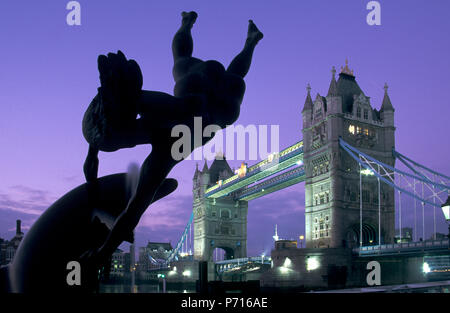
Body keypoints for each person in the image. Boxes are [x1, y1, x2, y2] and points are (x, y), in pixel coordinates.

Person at [81, 11, 263, 264]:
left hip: (216, 107)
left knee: (226, 76)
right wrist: (91, 165)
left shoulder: (163, 154)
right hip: (204, 94)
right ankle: (222, 34)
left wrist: (103, 252)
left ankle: (248, 41)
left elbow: (133, 210)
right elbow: (108, 125)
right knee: (182, 61)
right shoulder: (141, 108)